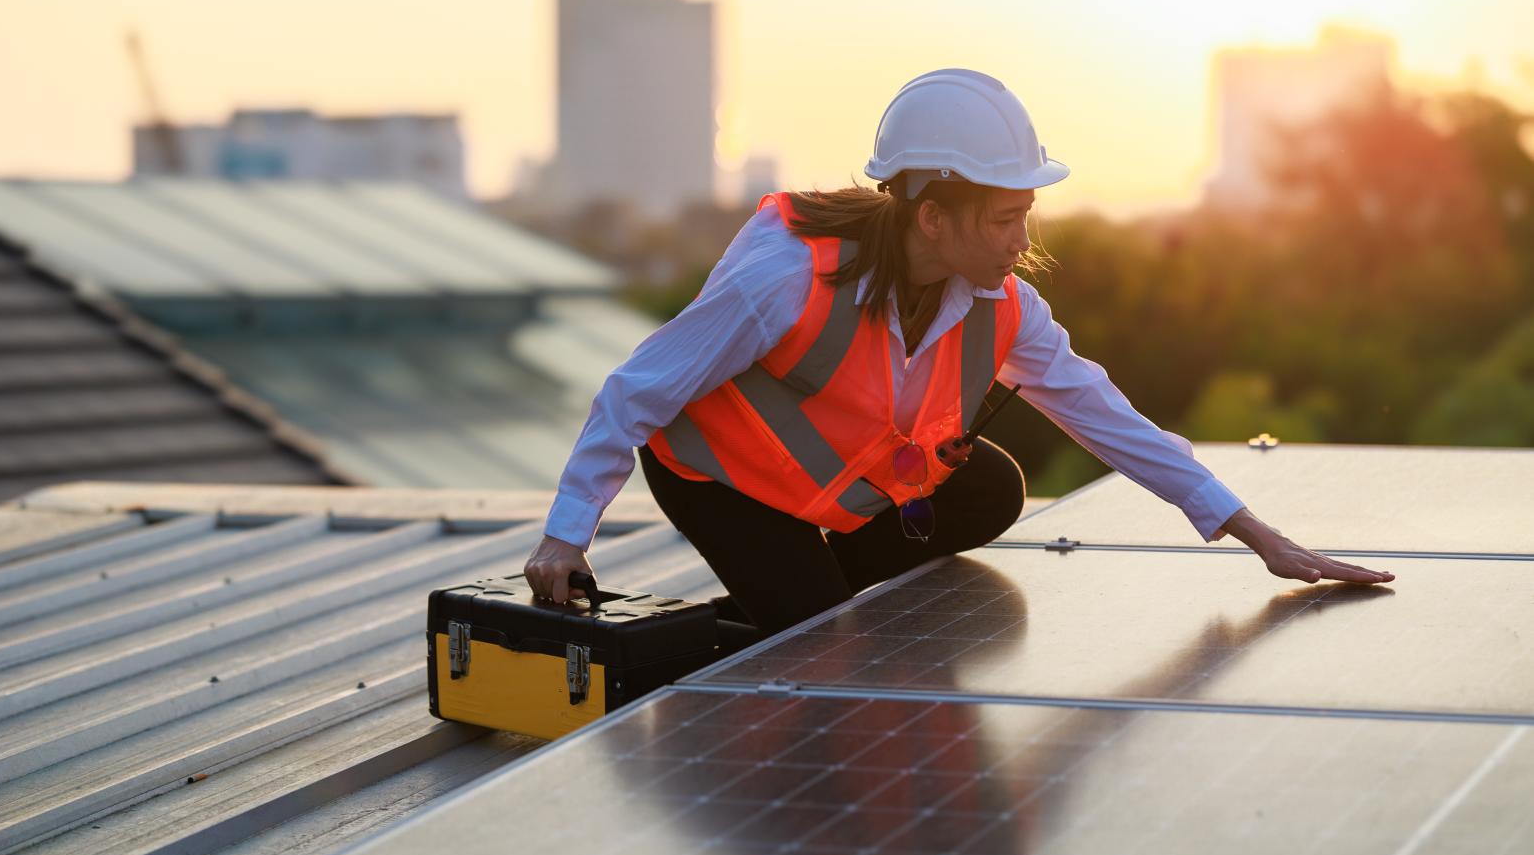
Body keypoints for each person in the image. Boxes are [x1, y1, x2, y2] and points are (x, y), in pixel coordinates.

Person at [523, 68, 1395, 637]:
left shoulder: (1000, 306)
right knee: (823, 641)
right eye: (1006, 219)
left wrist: (1257, 536)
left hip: (829, 490)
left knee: (988, 487)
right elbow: (635, 391)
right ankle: (778, 607)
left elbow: (1102, 415)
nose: (1023, 240)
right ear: (933, 215)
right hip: (724, 480)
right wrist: (567, 537)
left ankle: (786, 596)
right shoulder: (783, 276)